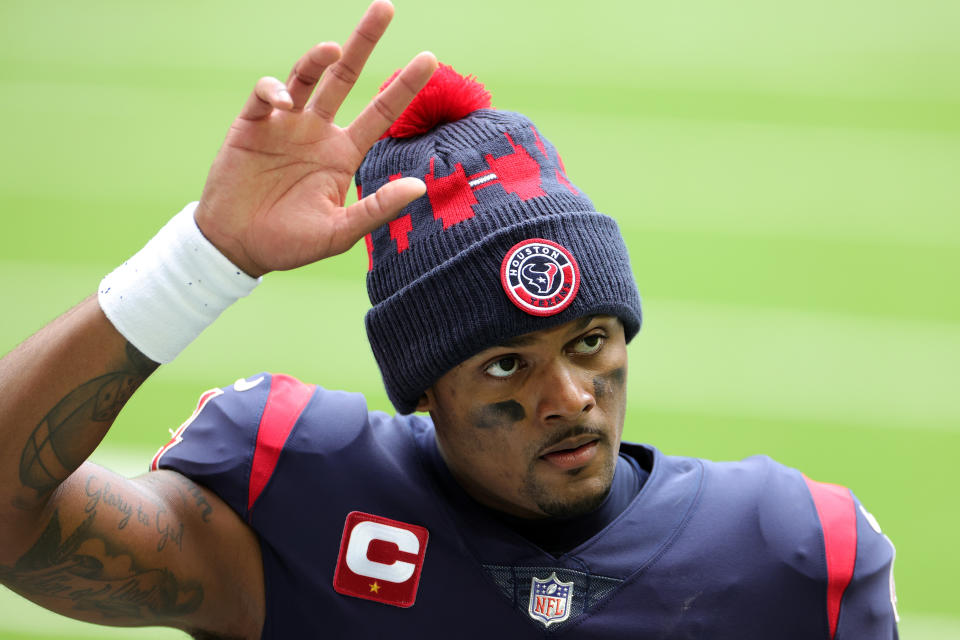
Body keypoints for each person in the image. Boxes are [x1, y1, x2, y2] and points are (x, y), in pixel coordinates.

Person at [0, 1, 899, 638]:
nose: (570, 397)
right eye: (507, 364)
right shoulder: (303, 505)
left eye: (590, 342)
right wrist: (200, 262)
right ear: (423, 388)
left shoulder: (795, 554)